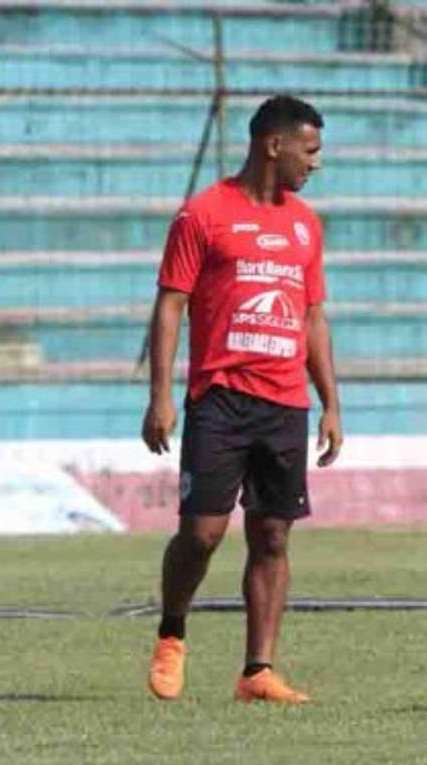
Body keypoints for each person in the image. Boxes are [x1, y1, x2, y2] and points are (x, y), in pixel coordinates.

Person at [141, 95, 342, 704]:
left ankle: (258, 671)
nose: (316, 164)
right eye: (310, 151)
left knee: (273, 536)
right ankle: (172, 632)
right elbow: (170, 304)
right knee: (202, 534)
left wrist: (330, 401)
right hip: (220, 400)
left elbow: (312, 316)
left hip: (285, 405)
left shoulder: (307, 223)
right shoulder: (202, 215)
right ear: (273, 145)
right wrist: (160, 396)